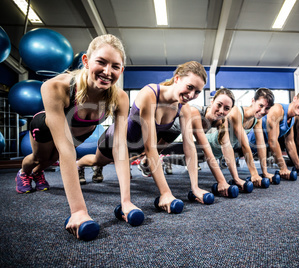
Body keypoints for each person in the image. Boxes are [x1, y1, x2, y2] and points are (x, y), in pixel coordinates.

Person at [15, 34, 133, 239]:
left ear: (121, 70)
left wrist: (127, 202)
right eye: (101, 62)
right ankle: (24, 173)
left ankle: (38, 172)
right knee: (40, 158)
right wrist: (78, 211)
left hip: (78, 132)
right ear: (86, 61)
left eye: (115, 66)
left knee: (51, 160)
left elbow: (120, 148)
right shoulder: (56, 87)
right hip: (46, 127)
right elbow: (66, 149)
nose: (107, 71)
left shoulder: (120, 97)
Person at [77, 61, 208, 212]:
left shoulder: (183, 109)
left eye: (197, 92)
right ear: (177, 79)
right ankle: (78, 165)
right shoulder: (150, 94)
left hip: (136, 147)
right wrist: (165, 193)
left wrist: (195, 187)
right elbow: (151, 147)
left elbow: (189, 148)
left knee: (111, 162)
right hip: (115, 140)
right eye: (190, 87)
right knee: (97, 161)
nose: (192, 95)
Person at [156, 88, 237, 196]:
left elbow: (227, 147)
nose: (221, 111)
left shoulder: (221, 120)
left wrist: (236, 178)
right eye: (219, 105)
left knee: (152, 154)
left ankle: (145, 162)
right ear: (212, 102)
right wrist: (221, 181)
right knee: (144, 152)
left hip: (176, 131)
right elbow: (206, 150)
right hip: (164, 126)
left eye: (226, 108)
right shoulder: (195, 112)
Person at [248, 89, 299, 180]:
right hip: (244, 144)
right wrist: (283, 168)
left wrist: (298, 165)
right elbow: (272, 141)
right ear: (295, 98)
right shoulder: (278, 110)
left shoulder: (292, 119)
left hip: (259, 149)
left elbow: (290, 143)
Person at [217, 88, 275, 187]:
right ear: (253, 101)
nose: (262, 111)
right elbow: (244, 144)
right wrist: (254, 174)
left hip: (228, 149)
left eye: (267, 108)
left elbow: (261, 145)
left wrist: (264, 172)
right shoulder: (237, 111)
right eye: (260, 106)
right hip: (213, 147)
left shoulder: (257, 119)